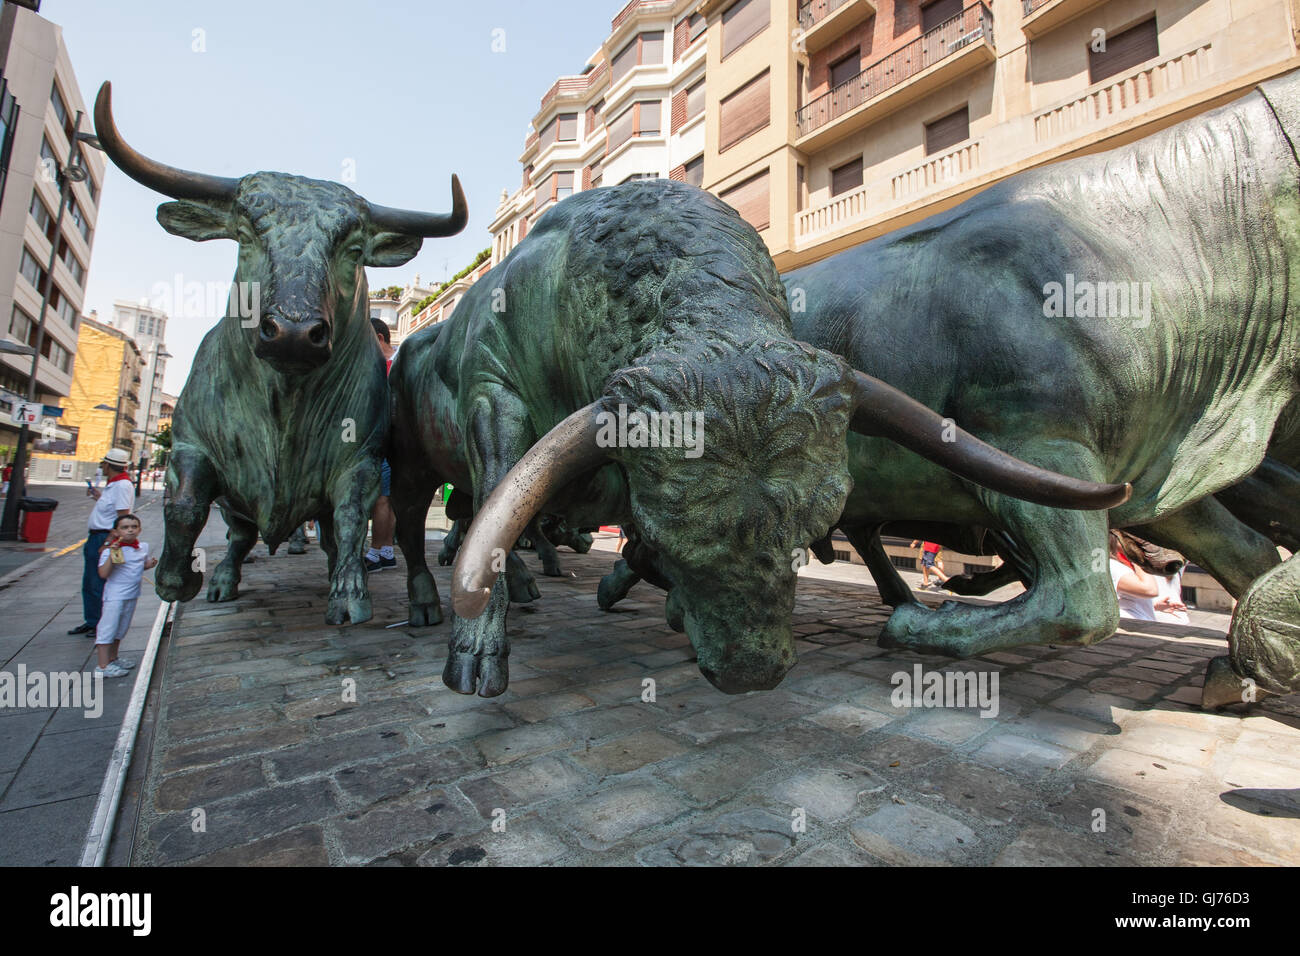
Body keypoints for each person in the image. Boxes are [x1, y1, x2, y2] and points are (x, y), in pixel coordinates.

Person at [69, 449, 135, 635]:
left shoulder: (122, 485)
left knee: (98, 582)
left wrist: (109, 541)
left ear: (107, 465)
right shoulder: (114, 484)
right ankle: (91, 620)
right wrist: (99, 497)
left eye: (103, 464)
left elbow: (123, 517)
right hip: (97, 536)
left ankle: (100, 623)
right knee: (90, 581)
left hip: (105, 537)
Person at [93, 513, 156, 678]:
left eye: (134, 527)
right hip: (115, 595)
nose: (130, 530)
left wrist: (150, 564)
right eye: (125, 527)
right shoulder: (111, 550)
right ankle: (102, 665)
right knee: (108, 627)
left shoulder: (142, 547)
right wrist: (112, 556)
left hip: (132, 594)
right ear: (116, 531)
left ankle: (113, 658)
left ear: (139, 529)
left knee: (121, 628)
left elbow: (141, 565)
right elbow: (103, 574)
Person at [365, 318, 397, 572]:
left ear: (379, 338)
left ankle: (376, 552)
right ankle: (386, 550)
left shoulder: (395, 363)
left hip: (389, 439)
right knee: (386, 498)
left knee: (381, 499)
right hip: (387, 438)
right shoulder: (378, 364)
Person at [1108, 530, 1160, 621]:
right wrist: (1136, 556)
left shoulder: (1114, 564)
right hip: (1132, 625)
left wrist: (1157, 606)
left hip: (1137, 622)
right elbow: (1149, 589)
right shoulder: (1111, 565)